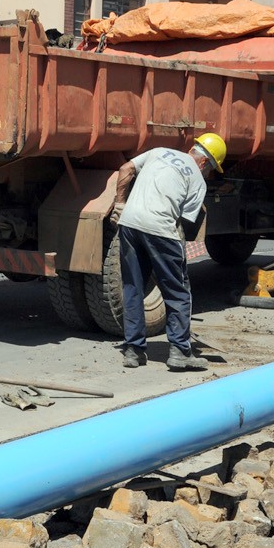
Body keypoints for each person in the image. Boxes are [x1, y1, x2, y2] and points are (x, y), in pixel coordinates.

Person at [110, 133, 226, 371]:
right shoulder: (198, 180)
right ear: (205, 162)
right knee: (178, 292)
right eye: (211, 169)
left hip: (129, 224)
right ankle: (180, 351)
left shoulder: (158, 151)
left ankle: (133, 351)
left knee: (133, 288)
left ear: (194, 149)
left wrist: (120, 204)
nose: (208, 173)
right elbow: (182, 221)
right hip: (161, 230)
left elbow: (125, 169)